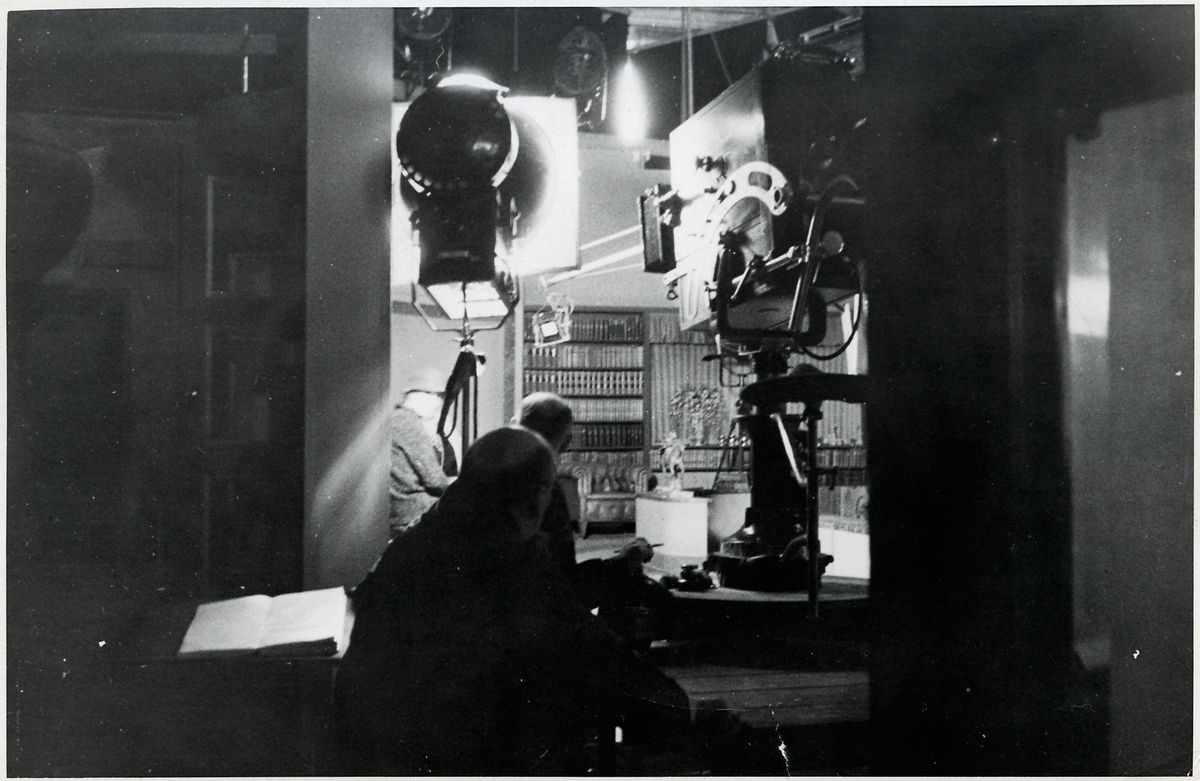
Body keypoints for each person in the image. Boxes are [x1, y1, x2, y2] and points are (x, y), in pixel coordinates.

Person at [335, 426, 689, 775]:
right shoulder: (511, 561)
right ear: (535, 498)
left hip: (377, 756)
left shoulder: (411, 545)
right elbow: (591, 648)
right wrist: (674, 708)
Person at [517, 392, 669, 646]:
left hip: (486, 618)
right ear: (567, 442)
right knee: (628, 574)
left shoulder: (481, 477)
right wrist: (623, 561)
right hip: (535, 628)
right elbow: (564, 588)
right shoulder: (545, 488)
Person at [389, 367, 454, 536]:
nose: (439, 403)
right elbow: (435, 481)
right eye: (438, 396)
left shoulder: (397, 418)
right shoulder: (408, 423)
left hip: (400, 513)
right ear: (423, 395)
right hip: (414, 515)